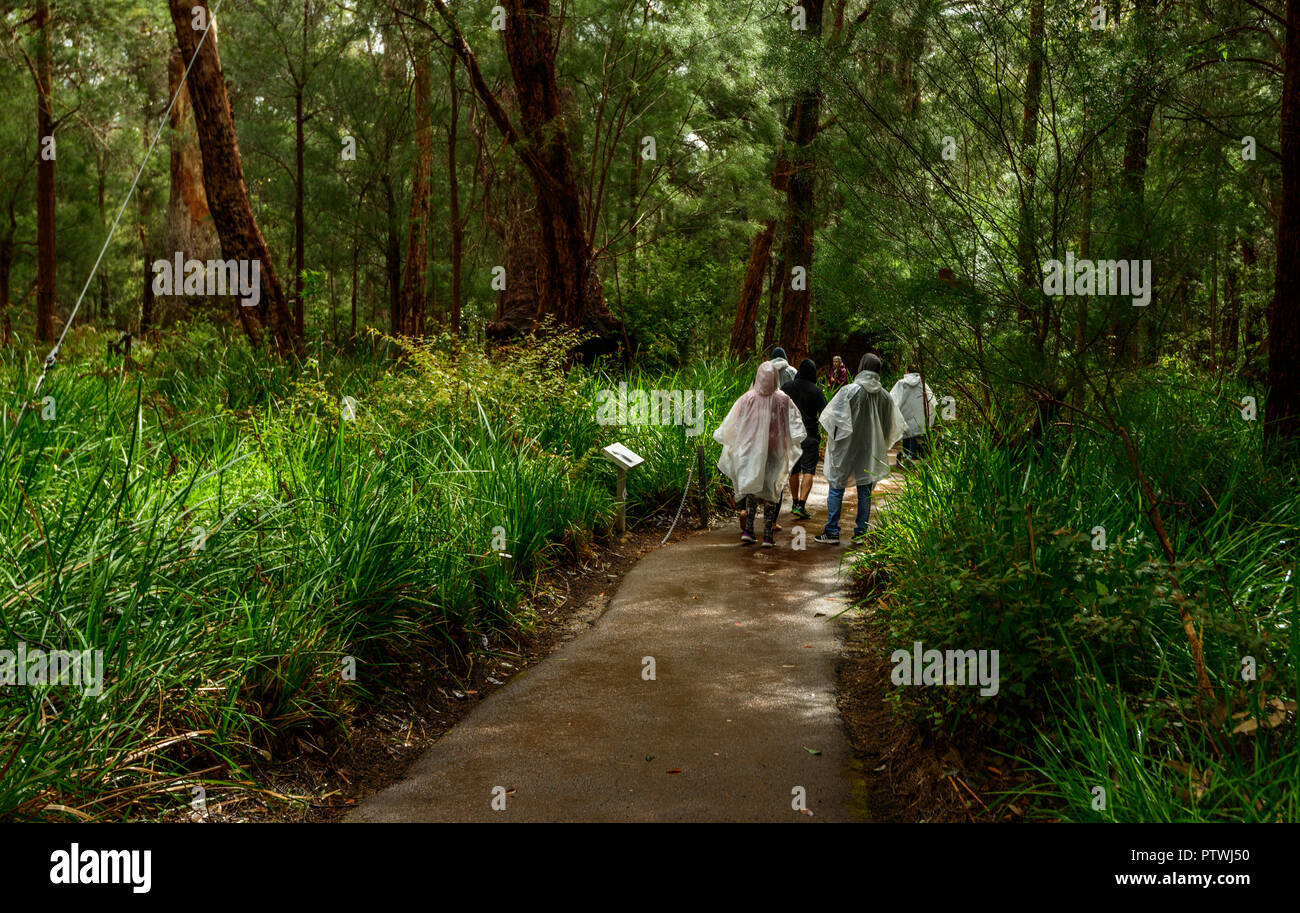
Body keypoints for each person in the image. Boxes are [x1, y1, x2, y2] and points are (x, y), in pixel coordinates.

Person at [814, 353, 905, 545]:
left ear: (862, 367)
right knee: (865, 489)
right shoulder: (885, 397)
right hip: (870, 449)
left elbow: (831, 419)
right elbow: (890, 427)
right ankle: (861, 533)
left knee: (837, 485)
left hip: (846, 447)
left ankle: (832, 531)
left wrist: (835, 442)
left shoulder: (849, 391)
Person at [714, 362, 806, 547]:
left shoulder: (747, 398)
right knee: (772, 492)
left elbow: (735, 424)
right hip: (775, 453)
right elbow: (796, 427)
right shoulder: (784, 400)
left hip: (750, 452)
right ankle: (767, 535)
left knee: (752, 489)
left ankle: (748, 530)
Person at [780, 358, 827, 520]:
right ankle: (801, 504)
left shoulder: (786, 387)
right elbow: (826, 414)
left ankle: (794, 502)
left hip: (790, 435)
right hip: (810, 435)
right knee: (808, 470)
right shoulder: (816, 391)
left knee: (794, 469)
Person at [889, 365, 938, 465]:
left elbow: (892, 399)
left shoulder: (901, 383)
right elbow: (932, 399)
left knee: (907, 434)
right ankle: (910, 455)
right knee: (914, 435)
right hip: (919, 417)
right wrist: (930, 414)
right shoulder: (923, 383)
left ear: (907, 371)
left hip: (905, 415)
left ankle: (907, 455)